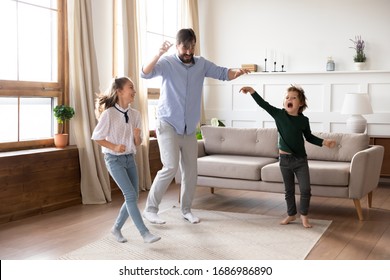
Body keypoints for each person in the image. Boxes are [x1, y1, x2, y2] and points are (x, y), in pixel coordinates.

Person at [141, 28, 250, 224]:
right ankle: (150, 209)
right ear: (177, 46)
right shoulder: (167, 63)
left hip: (189, 128)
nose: (189, 52)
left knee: (191, 171)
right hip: (168, 123)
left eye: (192, 48)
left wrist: (237, 72)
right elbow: (145, 73)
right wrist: (158, 54)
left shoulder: (201, 64)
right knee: (170, 166)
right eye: (185, 48)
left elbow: (223, 73)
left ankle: (186, 210)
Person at [239, 85, 336, 228]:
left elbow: (308, 137)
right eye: (287, 97)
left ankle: (304, 216)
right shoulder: (279, 115)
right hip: (284, 160)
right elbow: (263, 105)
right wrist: (252, 92)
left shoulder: (303, 120)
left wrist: (324, 142)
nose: (289, 99)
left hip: (300, 160)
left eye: (294, 98)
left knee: (305, 190)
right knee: (288, 190)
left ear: (301, 103)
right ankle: (291, 214)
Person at [91, 77, 161, 243]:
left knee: (133, 196)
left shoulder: (135, 114)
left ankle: (116, 229)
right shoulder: (108, 114)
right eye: (131, 88)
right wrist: (114, 147)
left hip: (130, 159)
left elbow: (137, 143)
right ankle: (144, 233)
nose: (134, 91)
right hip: (113, 160)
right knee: (130, 195)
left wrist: (137, 137)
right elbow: (97, 137)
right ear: (119, 91)